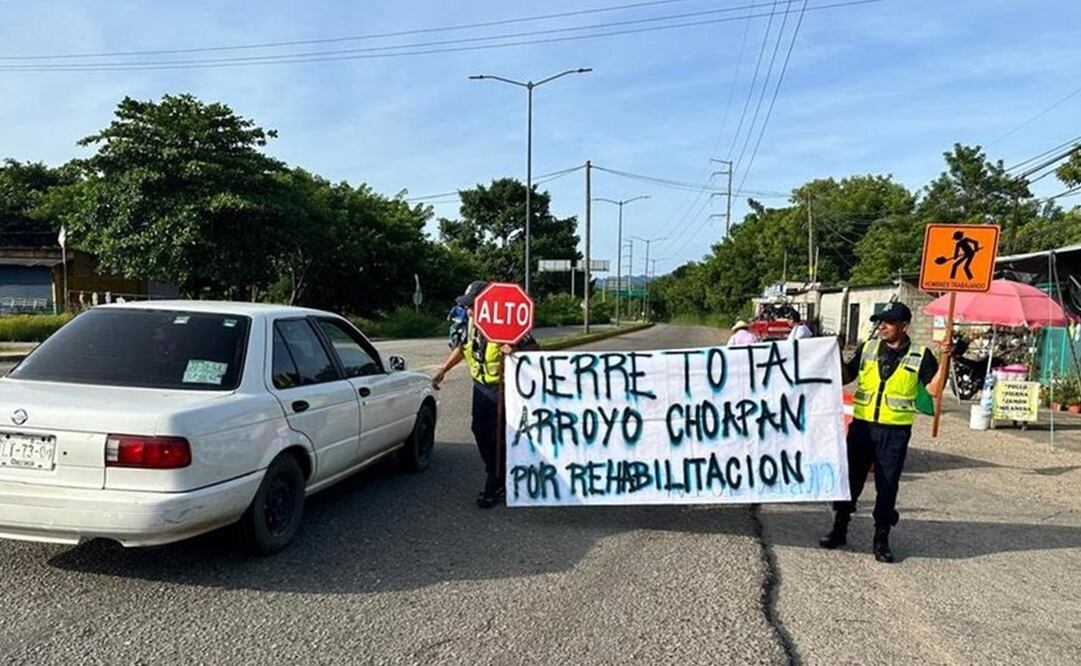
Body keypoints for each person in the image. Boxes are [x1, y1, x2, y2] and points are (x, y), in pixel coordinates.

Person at [819, 301, 952, 563]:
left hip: (894, 432)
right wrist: (833, 352)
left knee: (887, 486)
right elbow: (846, 377)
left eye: (887, 323)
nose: (881, 327)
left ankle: (881, 539)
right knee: (850, 481)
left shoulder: (920, 354)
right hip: (861, 428)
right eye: (880, 322)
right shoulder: (868, 348)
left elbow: (934, 390)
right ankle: (839, 528)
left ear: (904, 326)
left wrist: (946, 358)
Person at [431, 281, 538, 508]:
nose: (469, 309)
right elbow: (462, 348)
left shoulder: (508, 322)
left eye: (472, 305)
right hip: (480, 387)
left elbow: (535, 351)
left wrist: (516, 350)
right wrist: (443, 370)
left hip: (505, 388)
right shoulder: (467, 324)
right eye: (467, 305)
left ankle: (498, 479)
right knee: (480, 431)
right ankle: (497, 472)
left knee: (501, 435)